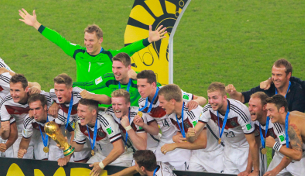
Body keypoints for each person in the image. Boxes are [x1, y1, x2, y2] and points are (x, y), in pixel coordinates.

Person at [18, 8, 167, 82]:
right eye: (86, 40)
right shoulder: (78, 53)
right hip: (81, 102)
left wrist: (148, 40)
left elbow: (130, 49)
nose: (87, 44)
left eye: (91, 40)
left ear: (100, 40)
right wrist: (36, 24)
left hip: (103, 105)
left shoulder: (110, 56)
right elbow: (58, 39)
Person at [187, 82, 258, 176]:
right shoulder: (208, 109)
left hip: (245, 149)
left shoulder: (239, 111)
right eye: (209, 98)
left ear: (224, 97)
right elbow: (194, 134)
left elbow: (253, 143)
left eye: (215, 98)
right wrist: (190, 135)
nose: (211, 101)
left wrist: (249, 170)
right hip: (228, 149)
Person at [74, 53, 207, 108]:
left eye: (119, 68)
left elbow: (160, 89)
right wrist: (68, 86)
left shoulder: (141, 81)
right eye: (113, 67)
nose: (115, 71)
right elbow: (88, 85)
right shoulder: (109, 78)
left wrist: (194, 102)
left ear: (128, 67)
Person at [59, 99, 132, 176]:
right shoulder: (80, 123)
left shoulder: (106, 120)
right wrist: (66, 145)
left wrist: (101, 165)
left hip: (121, 157)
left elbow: (119, 149)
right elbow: (79, 146)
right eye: (78, 110)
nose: (79, 114)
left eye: (83, 111)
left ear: (93, 112)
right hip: (100, 156)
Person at [49, 73, 111, 163]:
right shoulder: (52, 94)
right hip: (75, 125)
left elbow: (108, 100)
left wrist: (92, 96)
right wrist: (55, 103)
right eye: (56, 90)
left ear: (70, 89)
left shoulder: (80, 95)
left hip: (88, 123)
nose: (58, 93)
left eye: (61, 90)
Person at [152, 84, 205, 170]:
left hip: (213, 152)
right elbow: (183, 131)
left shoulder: (193, 112)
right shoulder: (172, 115)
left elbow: (202, 143)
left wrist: (175, 145)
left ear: (172, 101)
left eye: (162, 102)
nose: (160, 106)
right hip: (197, 153)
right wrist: (176, 137)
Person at [225, 59, 305, 112]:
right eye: (273, 75)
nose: (275, 78)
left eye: (279, 75)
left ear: (288, 75)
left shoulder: (298, 92)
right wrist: (233, 93)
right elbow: (242, 98)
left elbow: (295, 119)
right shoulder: (267, 87)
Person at [0, 74, 48, 158]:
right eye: (11, 90)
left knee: (44, 160)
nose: (13, 94)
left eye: (17, 90)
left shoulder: (37, 95)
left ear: (26, 89)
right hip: (21, 133)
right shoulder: (6, 104)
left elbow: (54, 100)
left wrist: (56, 105)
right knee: (21, 161)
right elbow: (8, 132)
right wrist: (4, 132)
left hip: (41, 131)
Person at [18, 94, 63, 160]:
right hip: (41, 134)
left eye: (37, 108)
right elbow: (25, 140)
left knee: (55, 153)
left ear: (45, 107)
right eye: (31, 109)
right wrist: (22, 149)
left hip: (60, 134)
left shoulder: (56, 115)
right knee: (41, 156)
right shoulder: (29, 119)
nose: (34, 113)